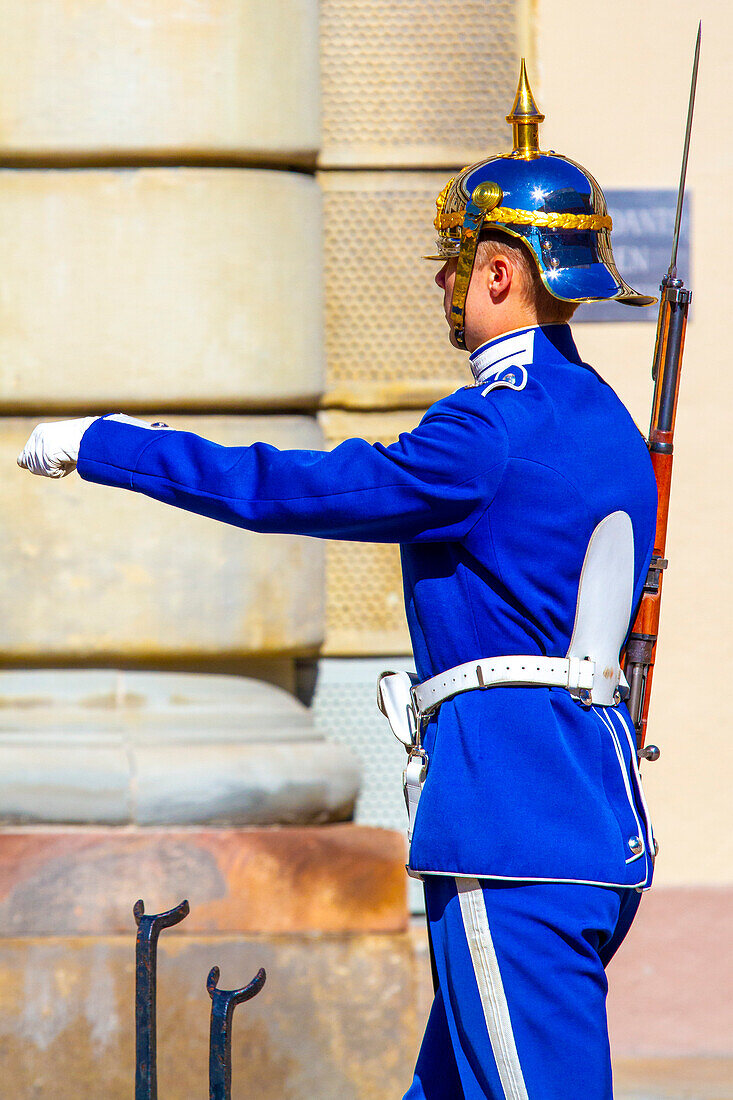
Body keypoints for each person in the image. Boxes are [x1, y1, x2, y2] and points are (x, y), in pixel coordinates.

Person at [18, 62, 659, 1100]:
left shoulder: (491, 433)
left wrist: (116, 446)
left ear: (502, 272)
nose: (443, 287)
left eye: (454, 266)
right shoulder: (603, 423)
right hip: (586, 813)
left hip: (512, 822)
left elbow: (299, 491)